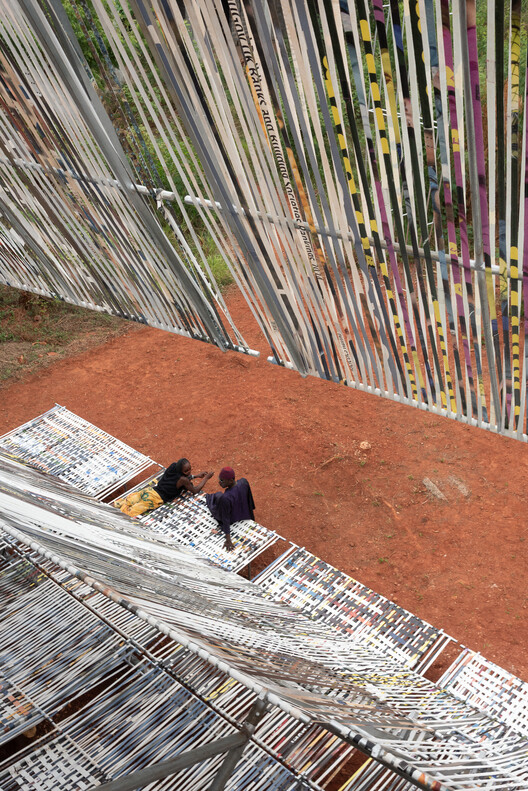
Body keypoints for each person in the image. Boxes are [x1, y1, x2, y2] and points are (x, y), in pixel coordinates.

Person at [114, 458, 213, 517]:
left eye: (190, 469)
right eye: (186, 471)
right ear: (181, 471)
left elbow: (183, 478)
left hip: (150, 490)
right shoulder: (183, 480)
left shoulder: (173, 466)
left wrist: (196, 476)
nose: (189, 472)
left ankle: (115, 505)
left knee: (126, 501)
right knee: (128, 513)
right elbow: (195, 490)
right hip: (155, 498)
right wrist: (206, 478)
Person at [206, 466, 255, 551]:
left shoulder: (226, 497)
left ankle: (210, 498)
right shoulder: (244, 482)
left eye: (222, 480)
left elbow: (225, 519)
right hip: (244, 513)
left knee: (215, 497)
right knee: (219, 496)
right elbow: (249, 500)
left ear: (230, 481)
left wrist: (228, 540)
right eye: (219, 479)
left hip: (233, 518)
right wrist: (252, 517)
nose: (219, 482)